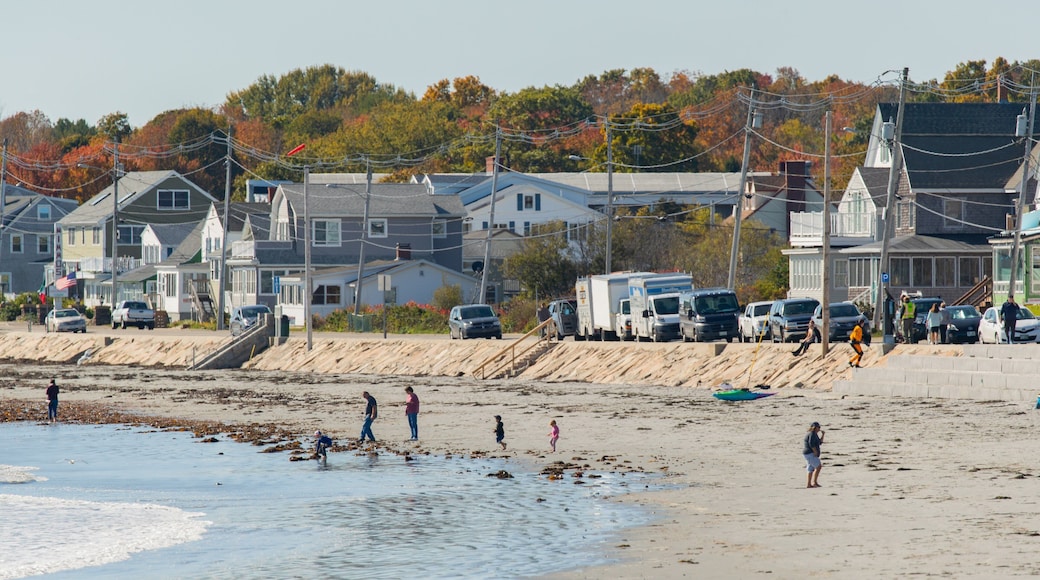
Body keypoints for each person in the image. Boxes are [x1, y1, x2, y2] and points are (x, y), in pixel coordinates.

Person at [803, 421, 825, 488]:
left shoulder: (814, 434)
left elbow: (820, 443)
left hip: (808, 453)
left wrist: (823, 435)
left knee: (810, 469)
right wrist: (815, 451)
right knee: (818, 466)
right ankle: (814, 482)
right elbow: (811, 444)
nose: (819, 429)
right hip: (810, 453)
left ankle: (809, 484)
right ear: (814, 428)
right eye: (818, 427)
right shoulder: (811, 434)